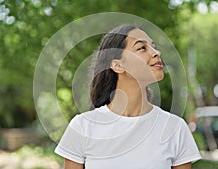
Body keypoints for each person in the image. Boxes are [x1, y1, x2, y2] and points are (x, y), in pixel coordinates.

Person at [55, 25, 201, 169]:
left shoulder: (175, 128)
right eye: (142, 48)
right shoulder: (83, 127)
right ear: (117, 66)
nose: (156, 52)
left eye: (153, 46)